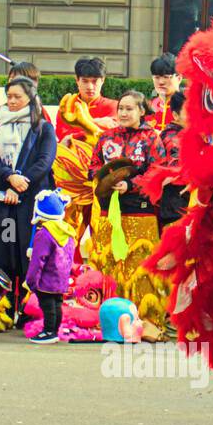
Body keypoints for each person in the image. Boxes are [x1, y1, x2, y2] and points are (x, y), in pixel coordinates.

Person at [87, 90, 169, 332]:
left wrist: (130, 184)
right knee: (108, 264)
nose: (123, 113)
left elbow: (158, 171)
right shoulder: (105, 138)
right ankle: (106, 319)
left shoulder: (151, 138)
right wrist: (104, 179)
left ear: (142, 111)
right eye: (121, 108)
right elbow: (93, 167)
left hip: (140, 214)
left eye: (129, 109)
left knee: (139, 267)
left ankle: (144, 321)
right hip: (109, 213)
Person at [0, 75, 57, 330]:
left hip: (31, 203)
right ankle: (0, 312)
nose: (12, 101)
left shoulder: (43, 128)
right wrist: (9, 178)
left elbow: (44, 162)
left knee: (30, 255)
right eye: (9, 97)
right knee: (1, 252)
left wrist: (21, 182)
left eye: (18, 97)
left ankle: (29, 311)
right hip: (3, 201)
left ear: (30, 98)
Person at [54, 56, 119, 241]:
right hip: (74, 181)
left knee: (102, 233)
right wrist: (96, 124)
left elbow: (109, 133)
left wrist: (81, 130)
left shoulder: (112, 106)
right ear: (77, 81)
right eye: (85, 81)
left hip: (102, 179)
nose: (90, 86)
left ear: (103, 81)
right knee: (68, 233)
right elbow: (63, 139)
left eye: (95, 81)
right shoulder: (67, 108)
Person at [24, 189, 77, 345]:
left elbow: (38, 259)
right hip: (61, 277)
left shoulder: (44, 234)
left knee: (47, 305)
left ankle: (48, 331)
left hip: (46, 277)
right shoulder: (68, 232)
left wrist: (31, 280)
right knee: (57, 304)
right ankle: (54, 330)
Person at [155, 90, 190, 233]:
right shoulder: (173, 136)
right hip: (176, 205)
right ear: (175, 115)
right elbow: (175, 166)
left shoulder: (190, 133)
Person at [148, 52, 182, 133]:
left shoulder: (188, 107)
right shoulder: (148, 108)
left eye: (166, 77)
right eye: (157, 77)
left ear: (179, 78)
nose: (161, 82)